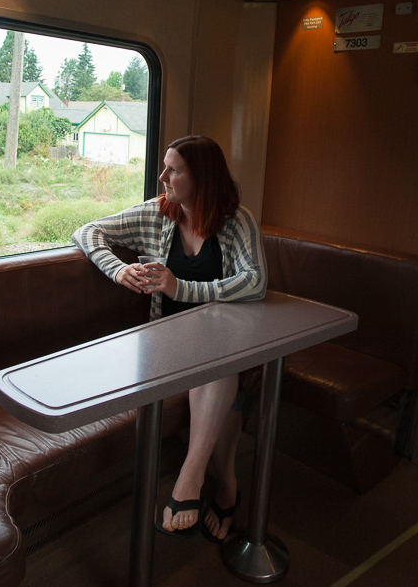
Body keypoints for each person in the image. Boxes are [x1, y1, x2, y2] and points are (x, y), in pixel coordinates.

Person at [71, 135, 267, 541]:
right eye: (165, 167)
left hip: (223, 341)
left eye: (174, 170)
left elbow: (256, 281)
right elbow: (87, 231)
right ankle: (224, 487)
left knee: (217, 364)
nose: (163, 177)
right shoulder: (156, 215)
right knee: (219, 379)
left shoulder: (236, 219)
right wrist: (117, 269)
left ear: (202, 178)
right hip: (166, 345)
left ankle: (191, 480)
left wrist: (185, 290)